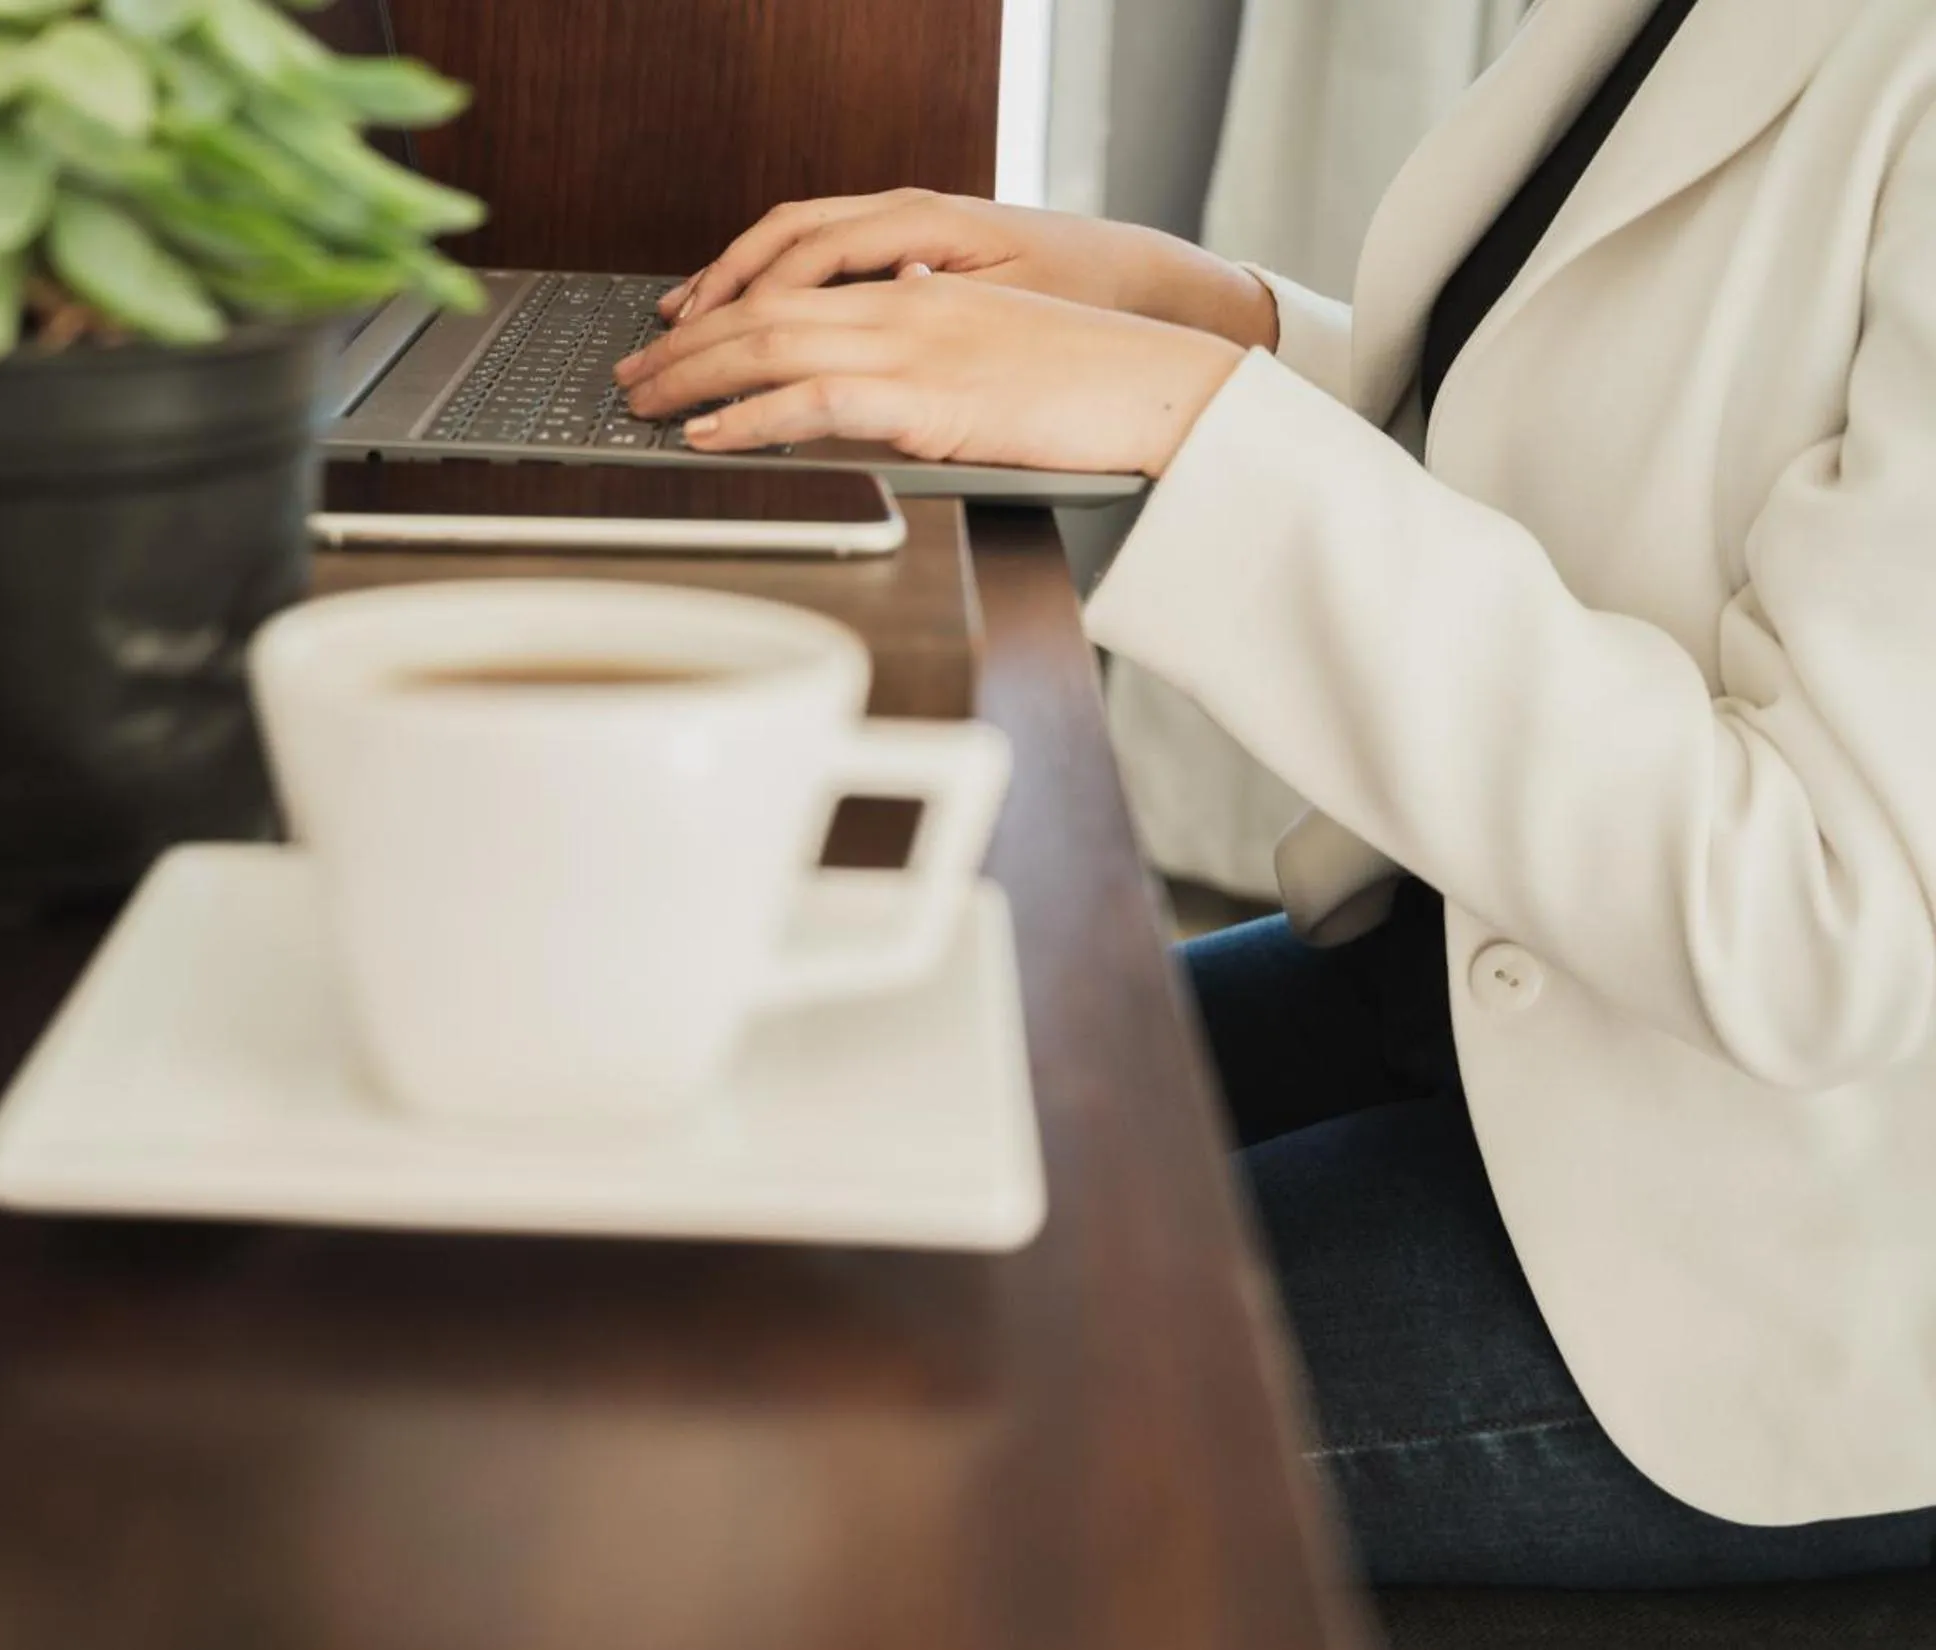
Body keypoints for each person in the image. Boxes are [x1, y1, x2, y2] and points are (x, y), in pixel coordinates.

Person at [617, 0, 1936, 1590]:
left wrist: (1187, 420)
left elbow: (1823, 920)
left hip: (1776, 1248)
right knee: (782, 1175)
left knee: (796, 1428)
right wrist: (1206, 321)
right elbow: (1635, 443)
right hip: (1478, 986)